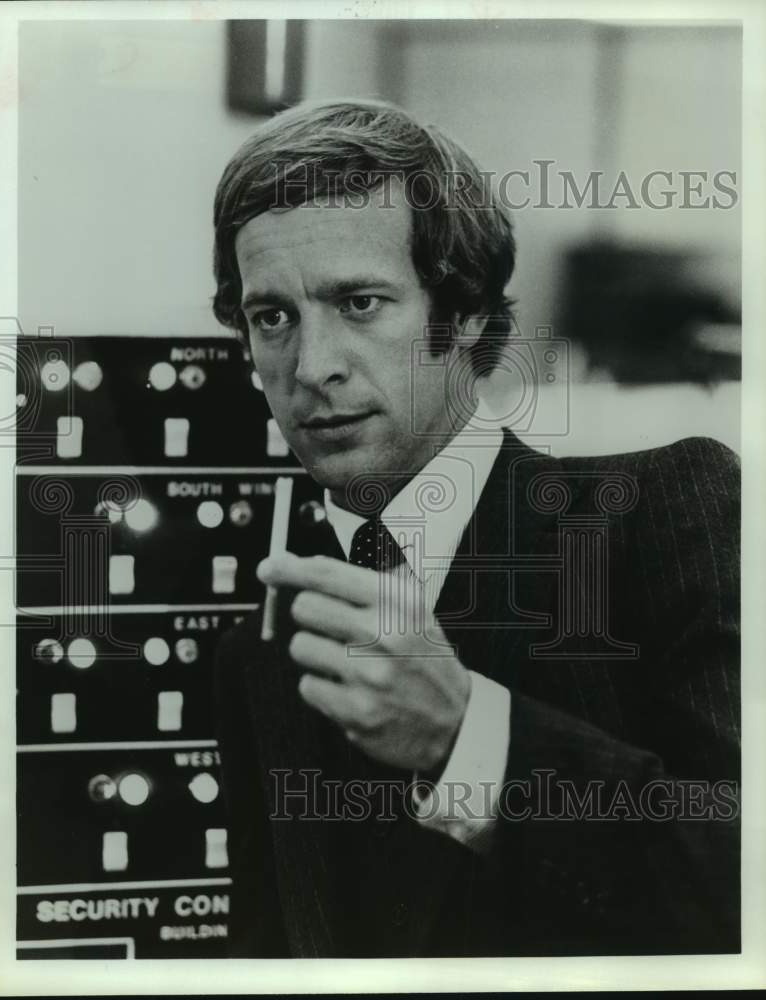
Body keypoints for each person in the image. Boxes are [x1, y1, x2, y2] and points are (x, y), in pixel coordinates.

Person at [210, 99, 740, 958]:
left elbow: (742, 884)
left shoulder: (663, 515)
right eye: (273, 317)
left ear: (465, 316)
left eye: (360, 302)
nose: (311, 367)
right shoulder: (265, 637)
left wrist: (468, 741)